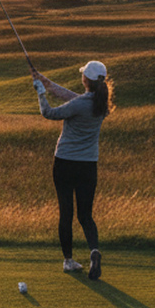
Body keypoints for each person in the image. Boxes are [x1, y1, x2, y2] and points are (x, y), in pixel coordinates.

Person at [31, 60, 114, 281]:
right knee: (85, 215)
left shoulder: (81, 104)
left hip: (65, 163)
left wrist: (41, 93)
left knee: (66, 213)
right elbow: (73, 98)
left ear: (85, 79)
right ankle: (94, 251)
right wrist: (46, 81)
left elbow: (49, 113)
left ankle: (68, 260)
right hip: (88, 166)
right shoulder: (101, 104)